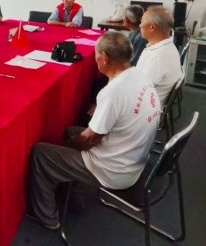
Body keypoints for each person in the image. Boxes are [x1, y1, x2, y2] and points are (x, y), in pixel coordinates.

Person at [29, 32, 160, 230]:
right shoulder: (140, 76)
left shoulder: (113, 92)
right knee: (70, 131)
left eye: (96, 54)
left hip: (115, 169)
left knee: (41, 153)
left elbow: (88, 140)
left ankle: (49, 218)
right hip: (134, 157)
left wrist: (66, 147)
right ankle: (74, 198)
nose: (95, 58)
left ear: (104, 58)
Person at [136, 6, 183, 105]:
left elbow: (137, 89)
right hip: (147, 101)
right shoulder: (166, 46)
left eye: (142, 21)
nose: (140, 25)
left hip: (144, 107)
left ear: (152, 27)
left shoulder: (158, 56)